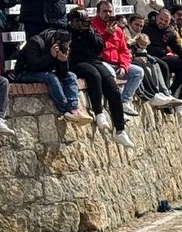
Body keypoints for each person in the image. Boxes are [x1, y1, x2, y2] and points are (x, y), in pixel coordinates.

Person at [67, 9, 136, 149]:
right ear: (73, 21)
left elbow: (99, 47)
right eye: (80, 21)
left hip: (94, 60)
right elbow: (73, 50)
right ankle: (98, 112)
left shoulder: (90, 30)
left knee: (113, 88)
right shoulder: (66, 32)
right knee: (94, 76)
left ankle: (120, 129)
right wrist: (78, 32)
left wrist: (88, 32)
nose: (84, 23)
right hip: (76, 62)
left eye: (85, 21)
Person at [12, 28, 87, 122]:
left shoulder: (61, 48)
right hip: (24, 73)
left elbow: (62, 74)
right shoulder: (36, 42)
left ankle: (73, 109)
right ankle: (65, 109)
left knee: (71, 76)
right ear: (53, 40)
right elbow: (32, 65)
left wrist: (63, 61)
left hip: (44, 71)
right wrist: (50, 56)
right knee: (51, 78)